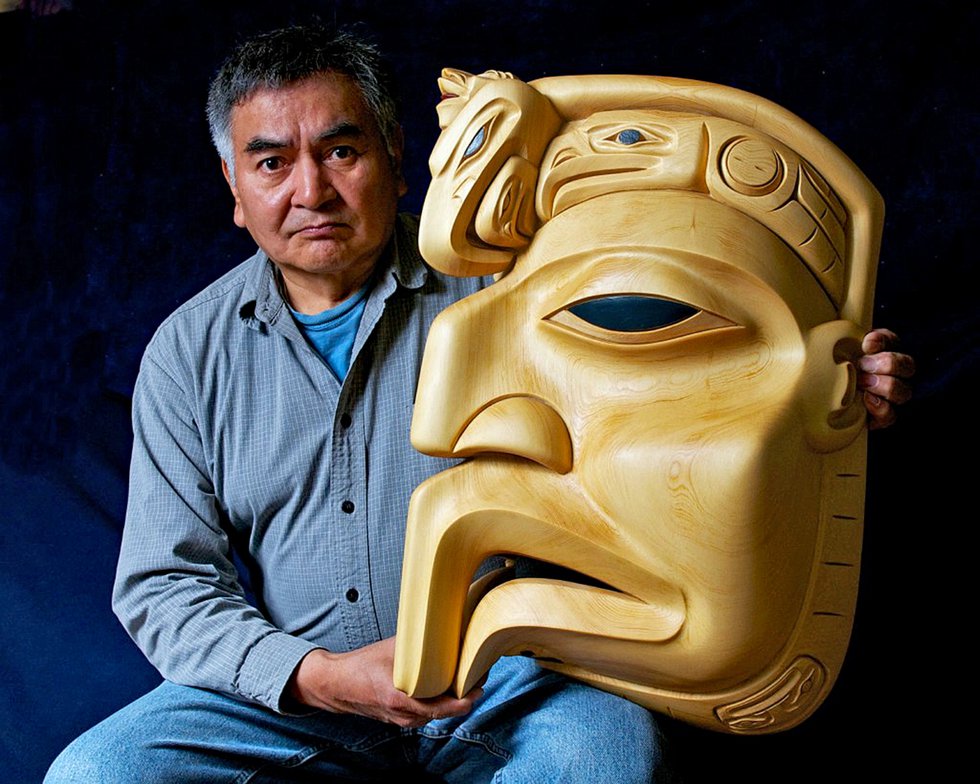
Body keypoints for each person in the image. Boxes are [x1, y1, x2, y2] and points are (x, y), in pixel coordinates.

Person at [45, 23, 914, 783]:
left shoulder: (514, 292)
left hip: (507, 676)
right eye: (272, 163)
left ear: (393, 156)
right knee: (96, 773)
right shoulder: (187, 355)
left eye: (342, 151)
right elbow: (166, 585)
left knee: (603, 758)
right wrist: (316, 675)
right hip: (293, 694)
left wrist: (819, 388)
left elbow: (671, 392)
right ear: (236, 194)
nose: (310, 191)